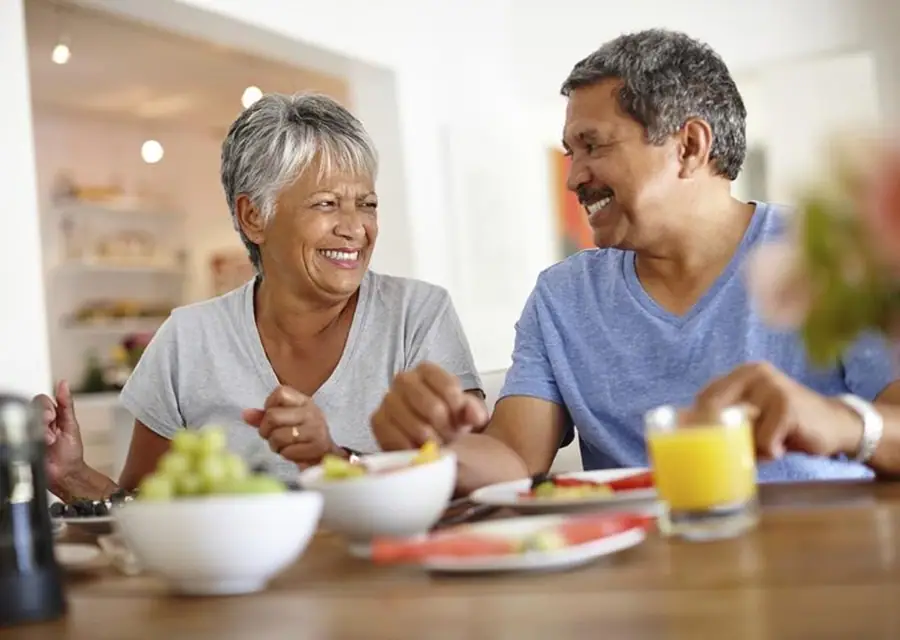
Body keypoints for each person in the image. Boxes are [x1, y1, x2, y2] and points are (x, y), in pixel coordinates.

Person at [371, 29, 900, 494]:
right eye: (569, 153)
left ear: (689, 146)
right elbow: (513, 458)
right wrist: (438, 449)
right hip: (637, 578)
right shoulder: (563, 297)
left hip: (819, 568)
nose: (574, 177)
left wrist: (842, 422)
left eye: (592, 146)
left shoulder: (832, 255)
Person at [38, 93, 483, 502]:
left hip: (390, 584)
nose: (355, 228)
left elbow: (475, 485)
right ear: (254, 218)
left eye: (366, 204)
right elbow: (147, 513)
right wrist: (72, 475)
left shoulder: (418, 317)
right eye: (327, 204)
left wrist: (333, 459)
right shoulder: (188, 339)